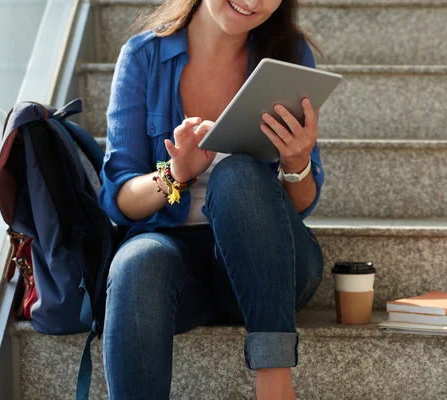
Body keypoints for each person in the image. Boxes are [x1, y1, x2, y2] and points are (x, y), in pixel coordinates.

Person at [97, 0, 326, 398]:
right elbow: (120, 200)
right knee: (138, 260)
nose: (252, 2)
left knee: (237, 174)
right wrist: (175, 173)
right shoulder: (143, 56)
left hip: (270, 263)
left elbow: (302, 203)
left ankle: (274, 377)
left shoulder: (290, 54)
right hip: (177, 266)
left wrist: (297, 160)